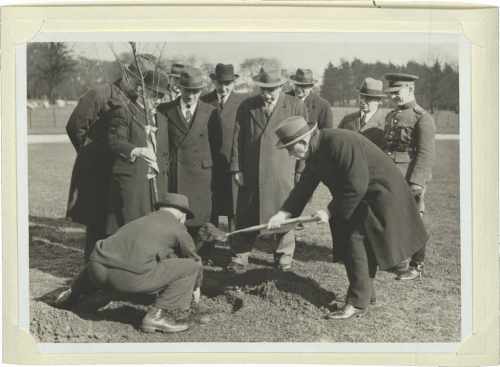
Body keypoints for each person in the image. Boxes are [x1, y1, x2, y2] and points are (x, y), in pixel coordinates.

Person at [268, 116, 429, 319]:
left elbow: (356, 185)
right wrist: (283, 214)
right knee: (354, 242)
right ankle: (365, 295)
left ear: (303, 141)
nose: (291, 154)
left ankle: (357, 302)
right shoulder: (315, 151)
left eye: (291, 148)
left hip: (382, 192)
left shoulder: (338, 143)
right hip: (360, 196)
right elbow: (304, 187)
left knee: (355, 241)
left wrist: (328, 211)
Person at [52, 193, 205, 333]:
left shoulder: (139, 220)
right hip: (128, 280)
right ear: (182, 215)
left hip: (95, 271)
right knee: (191, 267)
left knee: (110, 254)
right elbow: (194, 259)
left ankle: (71, 296)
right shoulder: (178, 227)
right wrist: (196, 285)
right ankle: (157, 317)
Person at [66, 54, 151, 260]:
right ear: (128, 75)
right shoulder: (100, 94)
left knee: (116, 220)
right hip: (98, 169)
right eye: (139, 81)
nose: (141, 87)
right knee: (97, 220)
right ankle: (92, 268)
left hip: (122, 171)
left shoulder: (137, 101)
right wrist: (92, 154)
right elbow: (75, 127)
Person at [227, 67, 308, 273]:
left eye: (272, 89)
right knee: (246, 213)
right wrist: (237, 168)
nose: (267, 94)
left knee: (285, 213)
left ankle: (283, 256)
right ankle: (240, 255)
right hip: (251, 171)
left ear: (282, 86)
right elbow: (237, 139)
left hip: (283, 170)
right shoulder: (247, 106)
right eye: (263, 89)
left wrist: (300, 170)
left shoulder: (296, 105)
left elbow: (305, 140)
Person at [105, 55, 171, 236]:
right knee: (132, 228)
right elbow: (115, 142)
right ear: (141, 91)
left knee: (153, 227)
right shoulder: (124, 112)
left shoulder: (162, 119)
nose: (158, 100)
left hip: (156, 183)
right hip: (133, 182)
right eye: (154, 95)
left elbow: (164, 153)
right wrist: (138, 150)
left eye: (161, 97)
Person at [157, 66, 221, 239]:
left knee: (199, 216)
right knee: (174, 215)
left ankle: (202, 250)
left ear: (201, 91)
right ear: (179, 87)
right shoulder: (164, 110)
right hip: (175, 172)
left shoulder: (211, 112)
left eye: (195, 91)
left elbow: (217, 146)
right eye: (187, 90)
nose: (190, 95)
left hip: (201, 173)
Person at [384, 73, 436, 280]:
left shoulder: (422, 117)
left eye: (398, 92)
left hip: (409, 176)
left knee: (415, 219)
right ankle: (399, 259)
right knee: (395, 217)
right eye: (392, 93)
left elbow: (425, 153)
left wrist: (416, 182)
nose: (394, 96)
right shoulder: (391, 115)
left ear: (410, 90)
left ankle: (417, 265)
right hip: (391, 174)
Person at [201, 63, 248, 231]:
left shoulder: (243, 103)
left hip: (232, 162)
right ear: (214, 82)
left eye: (227, 84)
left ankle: (235, 241)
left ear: (233, 83)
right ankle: (211, 240)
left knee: (233, 205)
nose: (223, 87)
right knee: (212, 204)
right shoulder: (204, 101)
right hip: (209, 163)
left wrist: (238, 164)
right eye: (220, 83)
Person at [287, 68, 333, 185]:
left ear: (312, 86)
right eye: (297, 84)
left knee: (301, 199)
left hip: (307, 163)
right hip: (282, 161)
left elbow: (326, 138)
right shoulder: (283, 100)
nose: (300, 89)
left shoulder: (323, 106)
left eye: (305, 86)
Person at [338, 77, 387, 150]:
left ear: (379, 101)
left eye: (368, 98)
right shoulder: (347, 120)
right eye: (361, 97)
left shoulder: (385, 122)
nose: (363, 101)